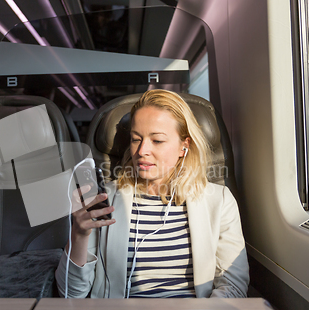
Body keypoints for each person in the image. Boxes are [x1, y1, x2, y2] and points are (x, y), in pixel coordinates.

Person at [55, 89, 249, 298]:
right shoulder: (104, 200)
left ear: (184, 146)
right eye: (136, 139)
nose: (141, 151)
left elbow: (233, 287)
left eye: (157, 140)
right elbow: (71, 294)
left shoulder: (218, 201)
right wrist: (79, 235)